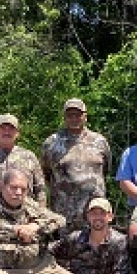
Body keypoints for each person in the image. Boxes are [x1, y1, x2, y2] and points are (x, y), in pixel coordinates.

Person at [41, 98, 112, 231]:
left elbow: (105, 170)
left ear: (85, 116)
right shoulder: (51, 143)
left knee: (96, 249)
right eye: (70, 115)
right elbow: (45, 174)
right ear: (64, 117)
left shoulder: (100, 141)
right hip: (64, 214)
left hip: (95, 213)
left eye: (78, 115)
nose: (74, 118)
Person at [0, 114, 47, 204]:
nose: (7, 132)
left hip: (24, 214)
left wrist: (40, 213)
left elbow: (40, 189)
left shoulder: (29, 157)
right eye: (3, 128)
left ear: (17, 133)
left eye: (11, 128)